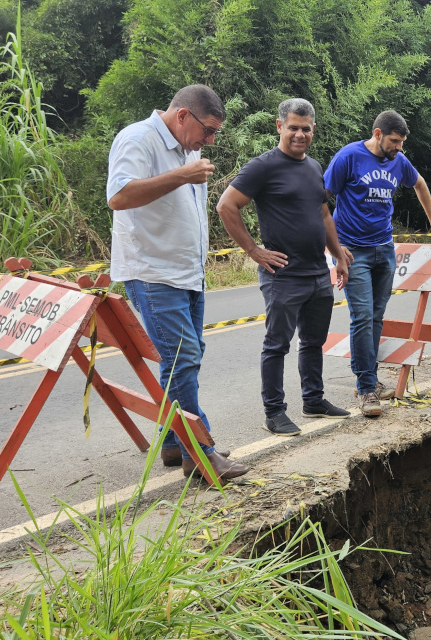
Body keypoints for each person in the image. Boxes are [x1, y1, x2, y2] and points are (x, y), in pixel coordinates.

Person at [106, 84, 249, 480]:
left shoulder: (189, 148)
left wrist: (186, 169)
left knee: (185, 356)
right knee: (182, 358)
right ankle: (200, 452)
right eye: (208, 130)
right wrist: (181, 175)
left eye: (215, 133)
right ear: (183, 115)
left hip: (186, 272)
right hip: (153, 272)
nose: (210, 140)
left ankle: (172, 443)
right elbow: (118, 196)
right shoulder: (138, 138)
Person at [216, 98, 352, 436]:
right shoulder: (263, 166)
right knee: (278, 343)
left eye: (306, 129)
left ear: (313, 130)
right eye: (293, 127)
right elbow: (227, 205)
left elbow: (323, 215)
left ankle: (314, 399)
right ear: (279, 127)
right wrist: (254, 251)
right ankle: (274, 412)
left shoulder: (314, 167)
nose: (299, 134)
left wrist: (337, 256)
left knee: (313, 340)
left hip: (317, 272)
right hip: (283, 276)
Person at [323, 110, 431, 417]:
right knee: (363, 316)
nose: (399, 147)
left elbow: (419, 184)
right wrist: (334, 249)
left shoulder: (399, 161)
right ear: (378, 134)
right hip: (353, 251)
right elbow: (321, 199)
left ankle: (369, 378)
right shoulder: (348, 157)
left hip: (384, 249)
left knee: (376, 317)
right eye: (394, 141)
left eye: (402, 142)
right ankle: (366, 388)